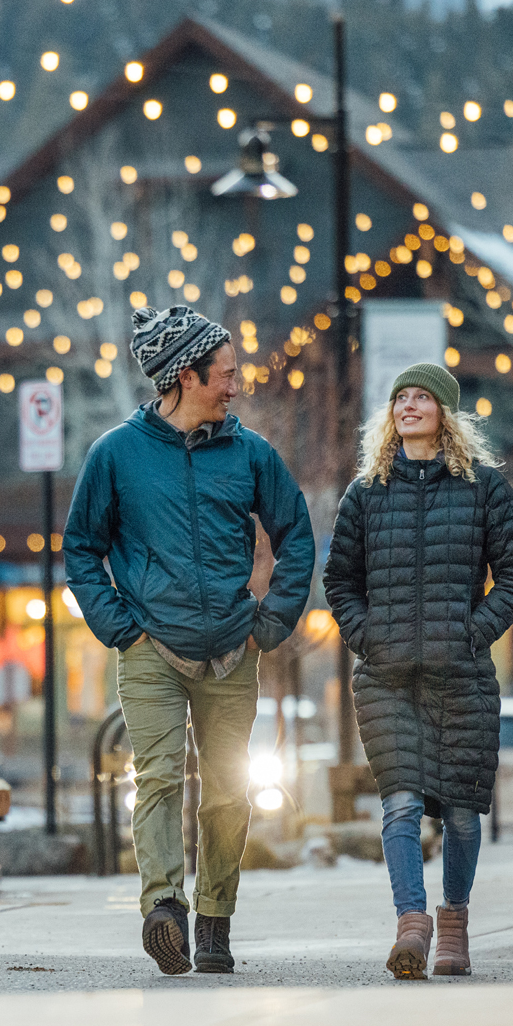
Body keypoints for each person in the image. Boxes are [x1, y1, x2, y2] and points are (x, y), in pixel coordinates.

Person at [65, 305, 315, 976]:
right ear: (185, 376)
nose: (236, 386)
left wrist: (271, 622)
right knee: (157, 778)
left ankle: (214, 920)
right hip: (151, 650)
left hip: (234, 648)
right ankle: (164, 909)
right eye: (225, 374)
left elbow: (296, 536)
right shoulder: (115, 455)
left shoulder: (251, 454)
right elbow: (81, 550)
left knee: (229, 790)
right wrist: (121, 629)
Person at [323, 364, 513, 980]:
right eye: (401, 398)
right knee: (400, 805)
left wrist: (472, 632)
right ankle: (411, 927)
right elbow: (339, 581)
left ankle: (454, 925)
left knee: (462, 813)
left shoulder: (484, 488)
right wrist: (368, 636)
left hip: (461, 678)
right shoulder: (365, 492)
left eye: (422, 397)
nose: (409, 406)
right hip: (387, 679)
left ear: (445, 411)